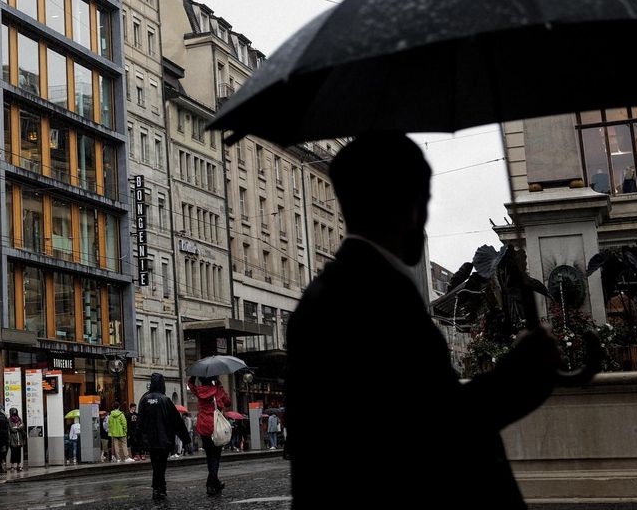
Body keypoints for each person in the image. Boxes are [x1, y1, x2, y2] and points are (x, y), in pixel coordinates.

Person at [287, 132, 559, 509]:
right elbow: (434, 430)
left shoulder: (334, 293)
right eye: (422, 200)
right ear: (403, 203)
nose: (424, 215)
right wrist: (518, 374)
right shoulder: (376, 298)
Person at [138, 373, 192, 501]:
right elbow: (176, 422)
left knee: (155, 464)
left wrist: (139, 440)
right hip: (164, 439)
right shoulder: (165, 400)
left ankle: (158, 486)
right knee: (161, 465)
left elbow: (141, 423)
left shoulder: (144, 400)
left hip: (150, 440)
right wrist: (186, 439)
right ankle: (159, 487)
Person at [188, 376, 230, 496]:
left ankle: (214, 483)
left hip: (204, 428)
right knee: (216, 457)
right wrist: (220, 384)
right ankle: (211, 484)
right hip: (216, 427)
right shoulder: (218, 390)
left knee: (209, 456)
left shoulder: (199, 391)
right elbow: (228, 402)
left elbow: (190, 385)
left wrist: (193, 377)